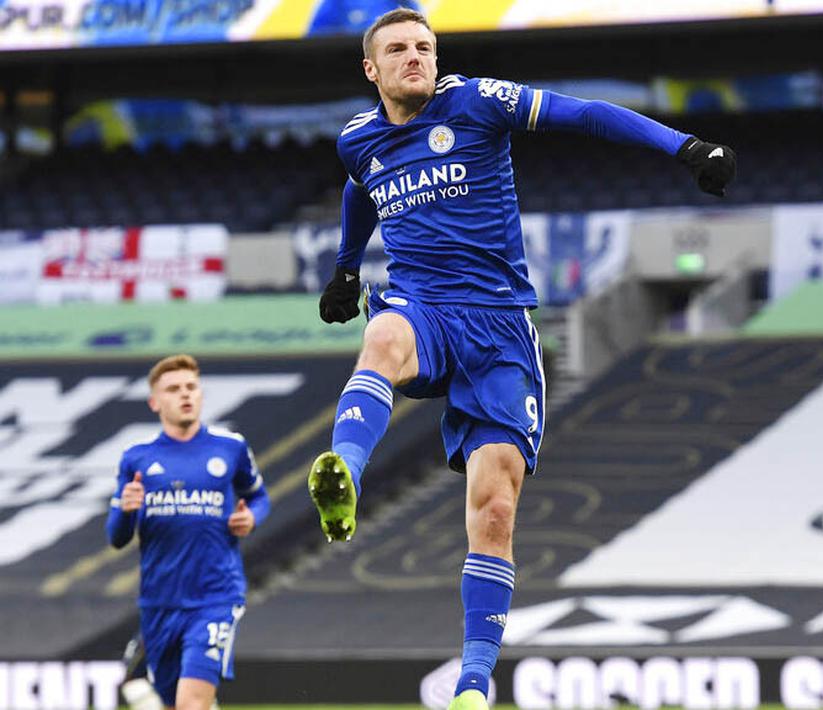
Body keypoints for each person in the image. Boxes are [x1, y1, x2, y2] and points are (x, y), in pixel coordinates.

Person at [307, 8, 736, 710]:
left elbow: (586, 113)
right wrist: (347, 270)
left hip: (500, 328)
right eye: (399, 49)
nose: (416, 57)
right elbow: (361, 185)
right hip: (423, 307)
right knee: (381, 340)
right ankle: (344, 479)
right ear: (370, 68)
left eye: (425, 47)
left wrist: (684, 146)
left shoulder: (478, 102)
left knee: (495, 508)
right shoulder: (358, 138)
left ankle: (473, 684)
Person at [106, 354, 270, 710]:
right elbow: (117, 537)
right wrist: (126, 510)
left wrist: (251, 518)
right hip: (160, 602)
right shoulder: (136, 457)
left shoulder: (230, 447)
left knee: (190, 705)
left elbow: (259, 498)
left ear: (200, 394)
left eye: (191, 387)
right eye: (173, 389)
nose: (185, 394)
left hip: (215, 597)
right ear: (155, 402)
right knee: (172, 704)